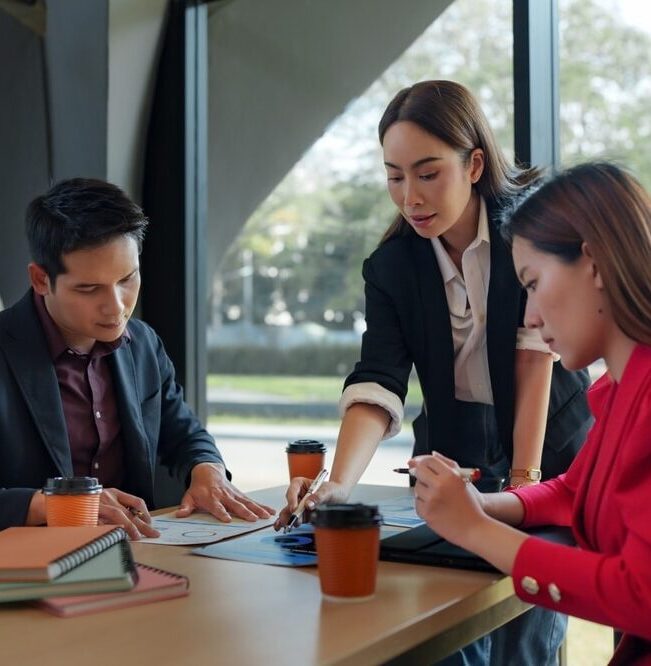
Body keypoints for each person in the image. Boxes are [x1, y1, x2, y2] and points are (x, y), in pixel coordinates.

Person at [276, 80, 593, 665]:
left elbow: (533, 355)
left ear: (474, 164)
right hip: (453, 449)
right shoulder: (392, 267)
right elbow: (378, 380)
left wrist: (525, 476)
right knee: (446, 625)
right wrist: (338, 487)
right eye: (394, 176)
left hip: (547, 437)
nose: (410, 196)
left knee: (527, 633)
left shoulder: (523, 232)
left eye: (427, 173)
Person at [409, 161, 651, 665]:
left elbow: (640, 593)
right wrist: (473, 505)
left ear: (596, 263)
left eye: (534, 283)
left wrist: (477, 531)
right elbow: (571, 491)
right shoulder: (619, 391)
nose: (530, 316)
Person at [0, 178, 274, 537]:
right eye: (89, 288)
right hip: (26, 567)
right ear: (40, 279)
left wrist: (208, 469)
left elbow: (183, 432)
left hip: (136, 552)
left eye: (127, 279)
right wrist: (60, 505)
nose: (116, 306)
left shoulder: (143, 343)